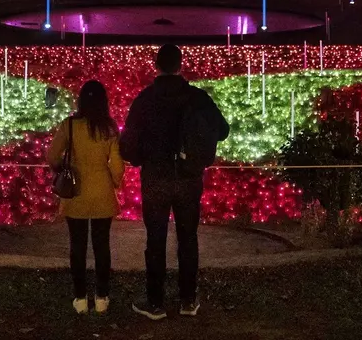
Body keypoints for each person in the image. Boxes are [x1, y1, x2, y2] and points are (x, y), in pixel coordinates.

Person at [120, 44, 229, 320]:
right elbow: (223, 130)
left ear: (156, 65)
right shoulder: (197, 98)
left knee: (155, 239)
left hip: (156, 178)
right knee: (188, 239)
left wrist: (143, 155)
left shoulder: (145, 100)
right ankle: (188, 300)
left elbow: (129, 146)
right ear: (181, 65)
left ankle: (155, 303)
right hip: (189, 178)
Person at [47, 79, 125, 315]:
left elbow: (51, 155)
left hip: (76, 194)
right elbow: (118, 165)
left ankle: (80, 298)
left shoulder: (69, 126)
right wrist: (114, 182)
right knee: (102, 247)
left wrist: (62, 168)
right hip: (101, 192)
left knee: (77, 247)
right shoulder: (109, 128)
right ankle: (101, 298)